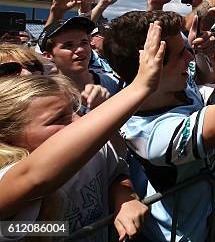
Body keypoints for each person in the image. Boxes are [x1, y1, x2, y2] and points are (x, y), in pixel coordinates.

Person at [103, 0, 215, 241]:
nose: (189, 57)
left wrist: (206, 54)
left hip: (207, 223)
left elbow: (206, 75)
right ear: (152, 66)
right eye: (181, 54)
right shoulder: (154, 136)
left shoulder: (174, 84)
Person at [0, 20, 165, 241]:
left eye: (33, 67)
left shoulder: (83, 134)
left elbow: (116, 170)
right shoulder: (7, 173)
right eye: (9, 72)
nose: (27, 75)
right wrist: (141, 85)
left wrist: (125, 197)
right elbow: (31, 181)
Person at [39, 17, 121, 112]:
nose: (81, 49)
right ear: (48, 56)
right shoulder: (44, 94)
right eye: (68, 45)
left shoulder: (114, 84)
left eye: (84, 42)